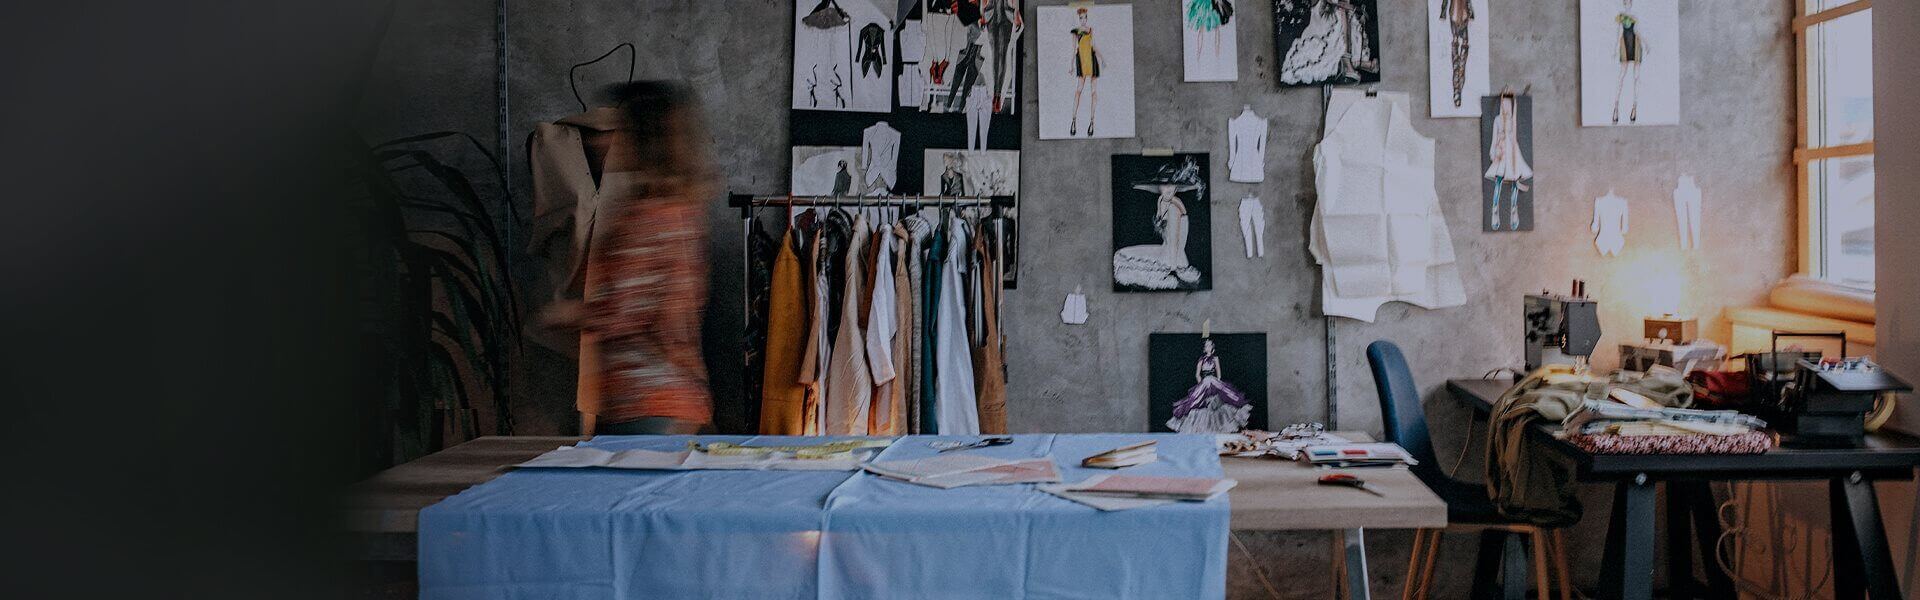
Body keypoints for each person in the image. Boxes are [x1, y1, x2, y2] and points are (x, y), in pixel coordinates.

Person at [545, 81, 718, 435]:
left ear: (642, 138)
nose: (605, 140)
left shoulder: (644, 218)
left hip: (644, 401)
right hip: (680, 396)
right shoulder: (684, 210)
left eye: (618, 128)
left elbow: (622, 311)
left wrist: (560, 313)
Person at [1166, 338, 1252, 433]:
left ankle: (1219, 426)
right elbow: (1197, 374)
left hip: (1213, 381)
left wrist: (1217, 382)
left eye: (1210, 345)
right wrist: (1201, 384)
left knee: (1226, 397)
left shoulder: (1215, 358)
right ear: (1204, 348)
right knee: (1195, 401)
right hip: (1205, 382)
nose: (1208, 347)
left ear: (1212, 348)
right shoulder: (1201, 360)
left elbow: (1219, 373)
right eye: (1206, 346)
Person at [1068, 8, 1102, 136]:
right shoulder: (1076, 32)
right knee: (1078, 91)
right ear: (1078, 18)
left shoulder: (1091, 30)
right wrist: (1071, 64)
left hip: (1092, 61)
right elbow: (1074, 49)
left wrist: (1102, 58)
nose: (1083, 20)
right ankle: (1073, 120)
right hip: (1081, 61)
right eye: (1080, 18)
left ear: (1087, 18)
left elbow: (1094, 46)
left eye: (1084, 17)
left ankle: (1092, 122)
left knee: (1093, 92)